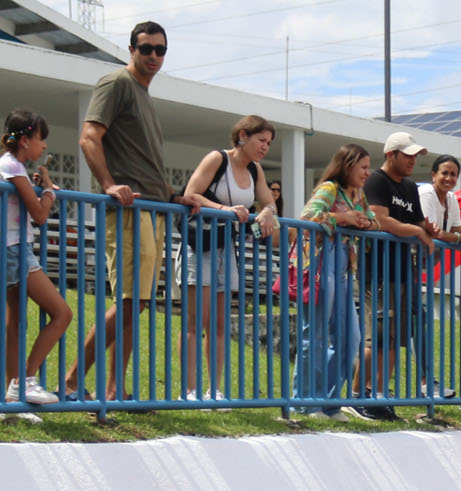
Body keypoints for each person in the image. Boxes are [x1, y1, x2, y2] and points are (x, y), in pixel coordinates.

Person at [65, 21, 200, 403]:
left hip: (152, 210)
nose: (154, 56)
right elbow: (89, 136)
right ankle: (71, 382)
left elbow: (141, 161)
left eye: (161, 50)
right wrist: (108, 183)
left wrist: (172, 195)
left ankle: (115, 389)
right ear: (131, 49)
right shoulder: (117, 83)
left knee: (135, 304)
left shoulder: (144, 95)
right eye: (146, 49)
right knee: (130, 301)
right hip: (129, 210)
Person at [180, 114, 279, 402]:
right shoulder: (217, 159)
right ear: (243, 136)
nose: (265, 147)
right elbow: (191, 194)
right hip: (200, 246)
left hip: (227, 249)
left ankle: (214, 389)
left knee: (219, 324)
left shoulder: (255, 170)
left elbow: (268, 201)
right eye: (261, 140)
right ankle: (189, 390)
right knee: (195, 322)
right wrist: (224, 210)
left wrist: (267, 212)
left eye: (269, 142)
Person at [292, 143, 378, 420]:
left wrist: (364, 223)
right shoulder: (330, 188)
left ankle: (328, 402)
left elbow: (374, 221)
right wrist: (344, 218)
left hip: (343, 269)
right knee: (314, 336)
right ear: (348, 165)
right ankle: (306, 403)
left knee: (350, 339)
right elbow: (307, 217)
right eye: (363, 167)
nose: (367, 173)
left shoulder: (359, 194)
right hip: (321, 261)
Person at [357, 131, 435, 420]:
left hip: (403, 272)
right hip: (377, 271)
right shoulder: (376, 180)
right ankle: (357, 394)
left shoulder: (411, 187)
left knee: (394, 340)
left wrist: (427, 230)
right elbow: (380, 219)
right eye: (408, 155)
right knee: (375, 338)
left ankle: (381, 396)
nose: (413, 161)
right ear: (391, 155)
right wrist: (417, 231)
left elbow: (418, 223)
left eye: (416, 156)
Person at [1, 108, 68, 406]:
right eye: (41, 139)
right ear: (25, 140)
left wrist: (39, 187)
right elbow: (40, 215)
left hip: (13, 248)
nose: (44, 145)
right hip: (15, 250)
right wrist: (49, 191)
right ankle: (24, 381)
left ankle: (13, 397)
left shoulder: (13, 167)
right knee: (62, 314)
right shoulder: (12, 167)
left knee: (15, 323)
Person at [417, 153, 461, 396]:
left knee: (417, 320)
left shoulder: (452, 199)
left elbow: (456, 231)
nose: (449, 178)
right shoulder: (426, 193)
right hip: (406, 261)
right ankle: (424, 383)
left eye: (454, 174)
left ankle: (426, 382)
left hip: (422, 264)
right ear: (433, 174)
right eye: (444, 173)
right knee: (408, 322)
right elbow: (432, 231)